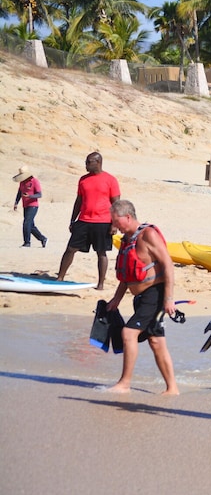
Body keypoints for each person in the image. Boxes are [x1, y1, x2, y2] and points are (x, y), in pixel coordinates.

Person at [104, 200, 179, 394]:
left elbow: (168, 266)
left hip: (155, 294)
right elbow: (128, 274)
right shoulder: (127, 240)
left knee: (129, 333)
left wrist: (169, 299)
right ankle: (172, 388)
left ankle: (124, 383)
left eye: (115, 221)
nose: (114, 226)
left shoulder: (148, 235)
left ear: (127, 217)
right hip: (140, 298)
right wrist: (116, 300)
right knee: (156, 342)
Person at [58, 152, 120, 289]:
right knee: (70, 249)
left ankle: (101, 283)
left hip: (103, 221)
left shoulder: (110, 180)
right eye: (86, 161)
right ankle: (60, 276)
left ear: (98, 162)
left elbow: (116, 203)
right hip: (84, 220)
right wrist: (72, 220)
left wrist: (114, 224)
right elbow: (79, 201)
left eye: (88, 162)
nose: (86, 165)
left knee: (101, 252)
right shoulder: (83, 180)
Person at [12, 165, 47, 248]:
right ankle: (43, 238)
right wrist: (16, 202)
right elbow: (19, 193)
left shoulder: (34, 181)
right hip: (25, 205)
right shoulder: (22, 182)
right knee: (30, 226)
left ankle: (27, 242)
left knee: (26, 223)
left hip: (33, 205)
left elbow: (39, 194)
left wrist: (30, 196)